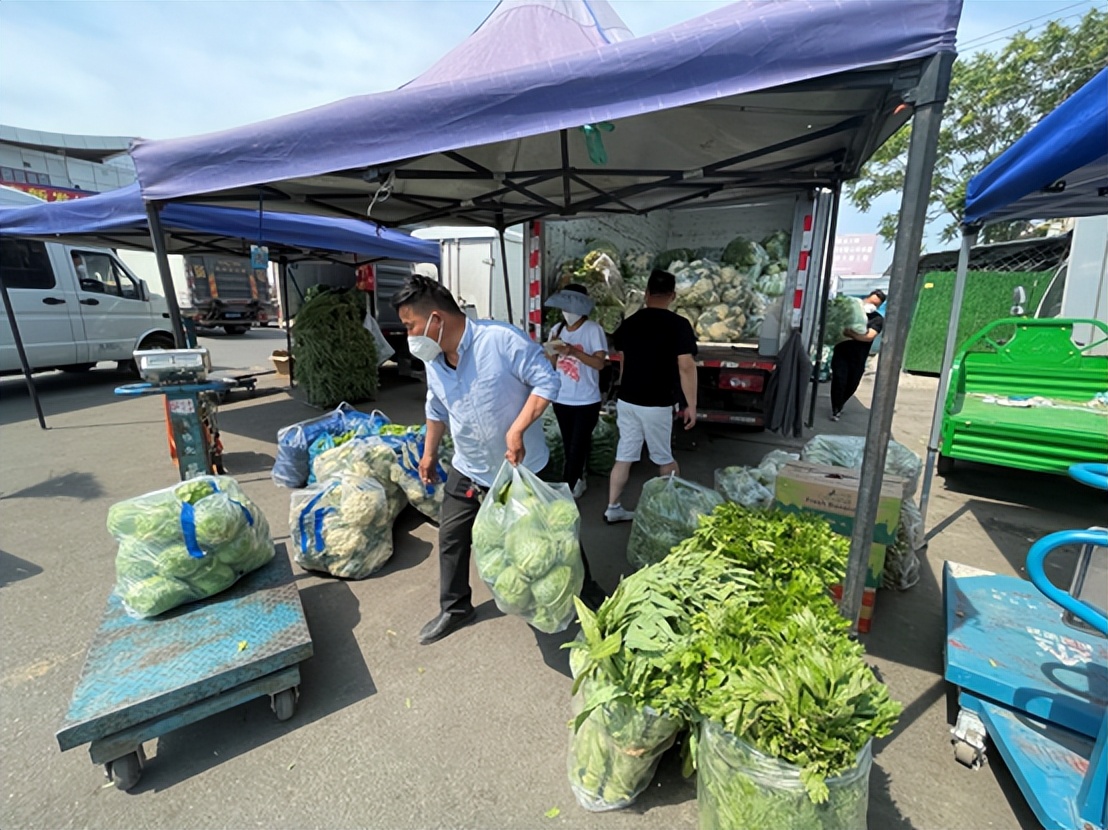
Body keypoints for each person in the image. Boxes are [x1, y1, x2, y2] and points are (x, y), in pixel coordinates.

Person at [392, 276, 602, 645]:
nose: (409, 335)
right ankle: (455, 608)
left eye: (410, 326)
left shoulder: (502, 341)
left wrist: (518, 428)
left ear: (436, 320)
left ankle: (589, 594)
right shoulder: (434, 358)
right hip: (470, 466)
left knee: (556, 535)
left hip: (523, 466)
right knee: (452, 538)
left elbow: (546, 382)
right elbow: (436, 407)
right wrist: (427, 454)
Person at [605, 268, 698, 524]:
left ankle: (612, 507)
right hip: (657, 403)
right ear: (673, 295)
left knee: (624, 456)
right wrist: (692, 404)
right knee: (664, 458)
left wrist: (625, 387)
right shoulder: (679, 325)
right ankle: (672, 511)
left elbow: (623, 361)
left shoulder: (630, 323)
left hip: (628, 400)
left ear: (646, 294)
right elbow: (686, 366)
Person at [544, 284, 609, 499]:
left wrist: (573, 352)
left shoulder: (593, 330)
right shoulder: (557, 329)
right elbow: (552, 363)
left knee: (577, 445)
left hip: (586, 400)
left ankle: (569, 485)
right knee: (568, 442)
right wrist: (553, 351)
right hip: (562, 398)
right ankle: (577, 478)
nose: (568, 312)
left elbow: (599, 363)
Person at [830, 289, 886, 421]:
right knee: (839, 379)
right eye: (871, 302)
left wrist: (852, 335)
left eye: (876, 304)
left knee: (852, 384)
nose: (871, 306)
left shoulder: (877, 319)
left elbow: (869, 337)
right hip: (842, 352)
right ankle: (836, 408)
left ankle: (841, 403)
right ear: (866, 298)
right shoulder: (851, 312)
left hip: (858, 357)